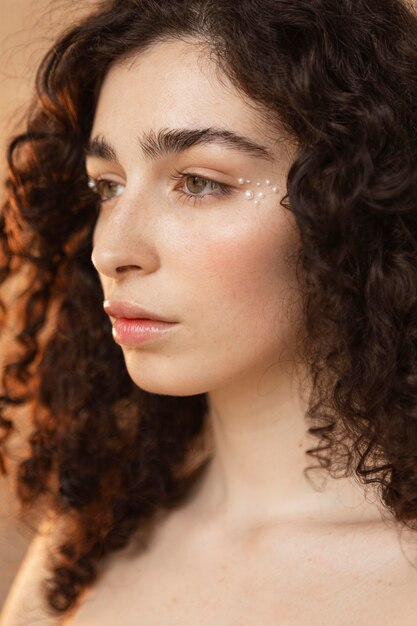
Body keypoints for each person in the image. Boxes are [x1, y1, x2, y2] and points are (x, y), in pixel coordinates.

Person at [1, 0, 417, 623]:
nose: (111, 250)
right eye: (106, 186)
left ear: (353, 203)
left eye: (198, 182)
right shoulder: (79, 552)